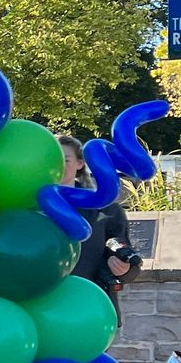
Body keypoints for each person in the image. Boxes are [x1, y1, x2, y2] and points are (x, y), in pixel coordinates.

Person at [59, 134, 142, 319]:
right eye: (51, 159)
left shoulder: (106, 210)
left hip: (90, 312)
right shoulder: (24, 208)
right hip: (38, 312)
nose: (58, 165)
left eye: (65, 159)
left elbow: (125, 255)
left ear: (80, 163)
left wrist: (125, 269)